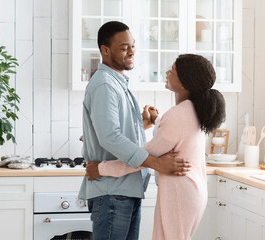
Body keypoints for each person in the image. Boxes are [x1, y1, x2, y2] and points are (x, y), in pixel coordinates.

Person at [86, 54, 226, 240]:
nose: (167, 72)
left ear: (184, 82)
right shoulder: (193, 109)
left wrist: (100, 169)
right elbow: (177, 133)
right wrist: (157, 121)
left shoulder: (178, 114)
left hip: (179, 194)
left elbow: (142, 158)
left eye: (173, 70)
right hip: (191, 192)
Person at [78, 21, 189, 240]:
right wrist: (156, 163)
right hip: (112, 194)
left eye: (133, 46)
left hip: (124, 191)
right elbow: (110, 137)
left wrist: (144, 124)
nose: (132, 52)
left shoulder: (116, 82)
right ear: (105, 50)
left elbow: (116, 130)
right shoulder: (105, 85)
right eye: (124, 47)